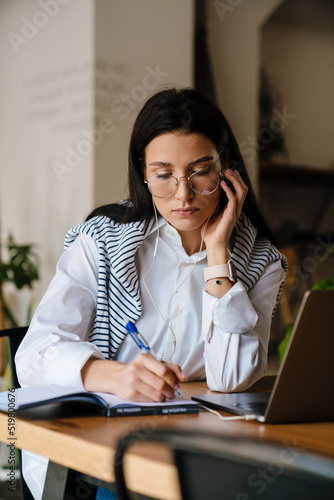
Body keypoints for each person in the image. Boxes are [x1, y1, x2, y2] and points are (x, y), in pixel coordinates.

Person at [16, 87, 287, 499]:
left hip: (201, 445)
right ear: (143, 173)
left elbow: (232, 378)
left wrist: (218, 256)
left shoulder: (260, 260)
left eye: (200, 171)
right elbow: (34, 352)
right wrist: (114, 375)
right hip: (100, 449)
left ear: (227, 170)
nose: (183, 194)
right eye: (163, 174)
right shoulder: (103, 241)